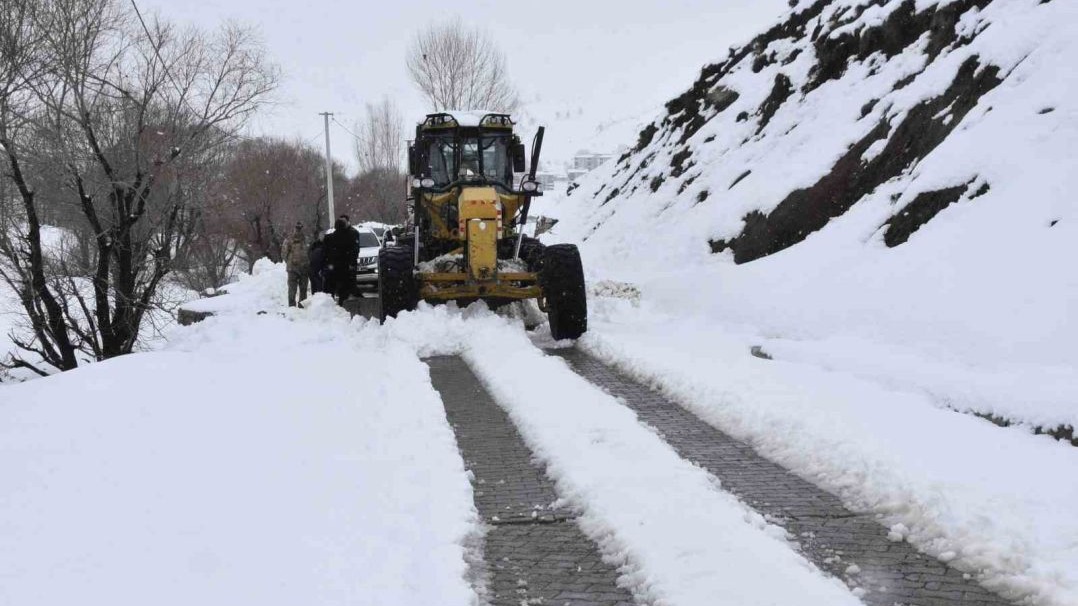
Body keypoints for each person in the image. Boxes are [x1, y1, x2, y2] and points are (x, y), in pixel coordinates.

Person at [323, 217, 359, 305]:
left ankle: (329, 304)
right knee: (345, 289)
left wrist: (327, 264)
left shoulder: (329, 238)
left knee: (330, 288)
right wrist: (351, 264)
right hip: (345, 268)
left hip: (333, 267)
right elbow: (354, 251)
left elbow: (324, 252)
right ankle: (342, 304)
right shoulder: (351, 236)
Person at [281, 222, 309, 307]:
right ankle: (302, 304)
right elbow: (309, 252)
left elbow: (284, 253)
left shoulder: (288, 239)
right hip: (303, 266)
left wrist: (289, 261)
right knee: (303, 288)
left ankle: (292, 305)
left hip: (292, 267)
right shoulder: (306, 239)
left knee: (292, 288)